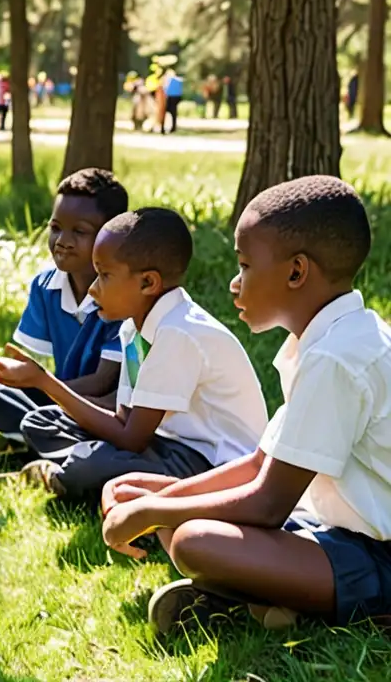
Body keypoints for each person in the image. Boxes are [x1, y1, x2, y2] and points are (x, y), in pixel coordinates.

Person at [102, 177, 391, 636]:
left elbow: (269, 503)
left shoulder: (338, 357)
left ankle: (284, 603)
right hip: (333, 529)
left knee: (195, 541)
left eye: (244, 265)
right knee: (155, 497)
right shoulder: (331, 339)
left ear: (296, 272)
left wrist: (153, 513)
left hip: (378, 558)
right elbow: (261, 462)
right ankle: (264, 602)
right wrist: (159, 498)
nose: (234, 283)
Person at [0, 208, 268, 499]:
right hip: (164, 447)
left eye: (103, 275)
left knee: (90, 466)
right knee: (40, 422)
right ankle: (76, 475)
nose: (92, 290)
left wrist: (44, 381)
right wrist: (41, 382)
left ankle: (63, 476)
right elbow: (123, 420)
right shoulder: (132, 330)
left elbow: (131, 438)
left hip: (214, 467)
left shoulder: (179, 333)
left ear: (148, 283)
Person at [0, 168, 128, 456]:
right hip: (62, 397)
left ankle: (29, 444)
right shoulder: (46, 286)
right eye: (56, 228)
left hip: (104, 410)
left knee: (37, 412)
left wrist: (43, 385)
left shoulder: (121, 297)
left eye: (79, 231)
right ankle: (38, 442)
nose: (63, 240)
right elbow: (34, 366)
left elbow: (102, 382)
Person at [163, 69, 183, 134]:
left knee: (165, 112)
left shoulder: (167, 79)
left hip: (169, 97)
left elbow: (165, 88)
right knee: (174, 113)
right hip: (176, 97)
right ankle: (173, 127)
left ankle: (163, 127)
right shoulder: (179, 80)